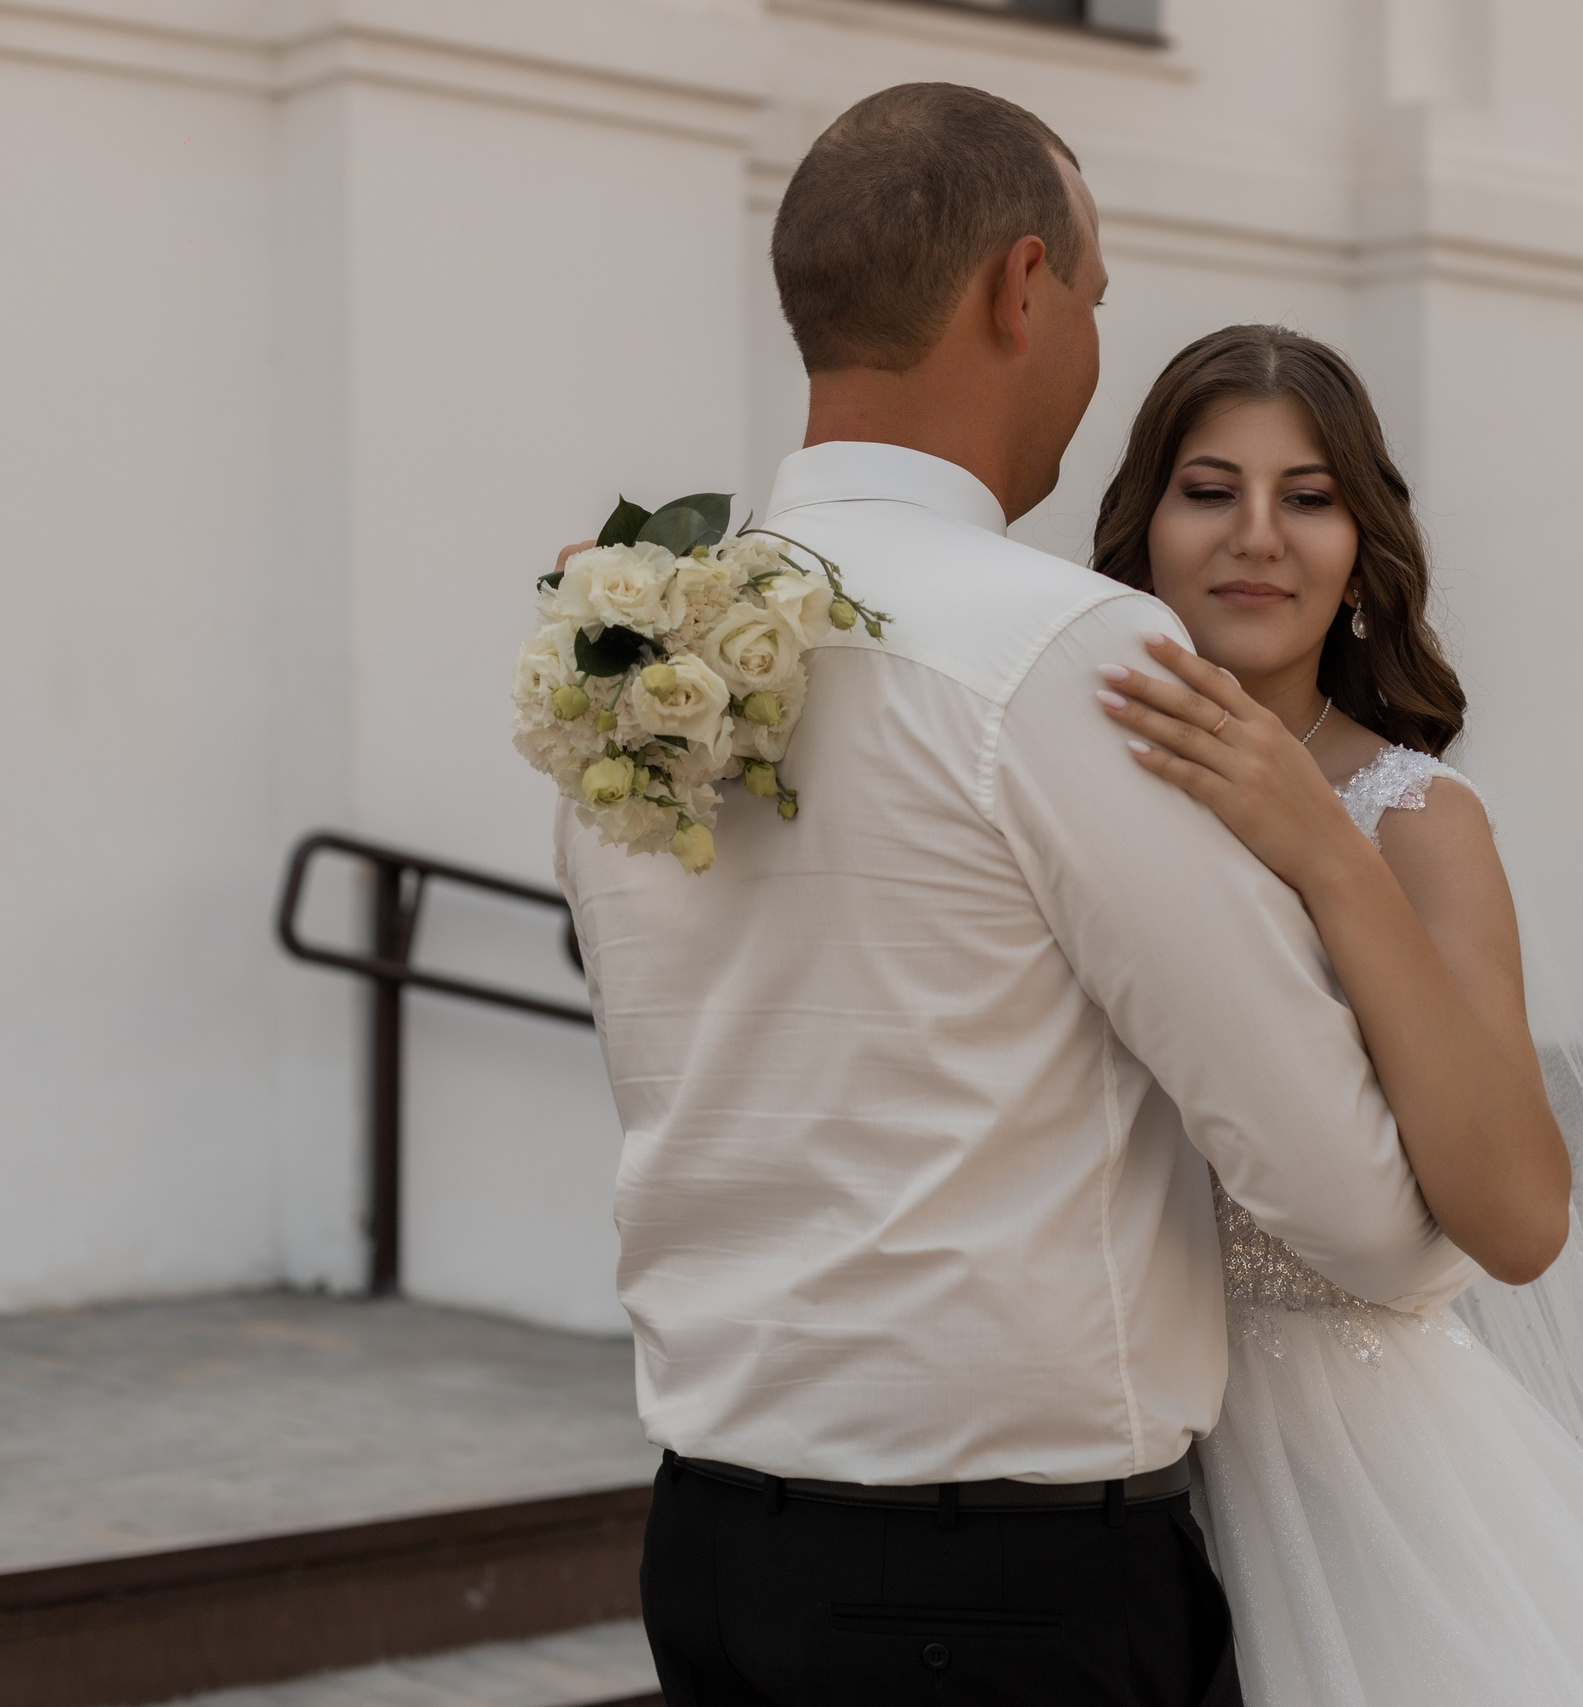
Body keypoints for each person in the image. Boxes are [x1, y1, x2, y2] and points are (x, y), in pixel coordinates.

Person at [554, 89, 1478, 1706]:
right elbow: (1353, 1206)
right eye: (1102, 299)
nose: (1096, 342)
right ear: (1021, 288)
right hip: (991, 1603)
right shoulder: (1071, 657)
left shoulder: (636, 651)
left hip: (708, 1556)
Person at [1088, 324, 1583, 1706]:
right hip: (1081, 1451)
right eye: (1209, 488)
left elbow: (1524, 1219)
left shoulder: (1414, 822)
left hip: (1345, 1478)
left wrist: (1324, 852)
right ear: (1145, 531)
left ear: (1363, 551)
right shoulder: (1064, 774)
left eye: (1308, 497)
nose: (1258, 538)